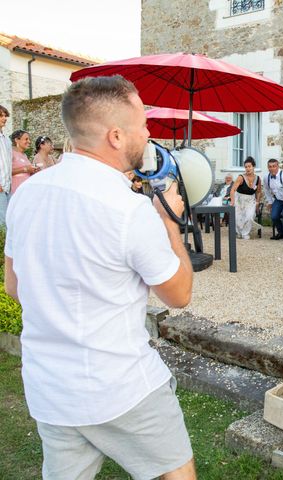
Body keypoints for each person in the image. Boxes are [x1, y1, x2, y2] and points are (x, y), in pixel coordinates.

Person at [4, 75, 195, 479]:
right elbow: (178, 294)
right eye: (143, 124)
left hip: (51, 386)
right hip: (122, 386)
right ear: (115, 136)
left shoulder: (27, 195)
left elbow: (14, 287)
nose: (148, 133)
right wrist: (169, 222)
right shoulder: (129, 210)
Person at [229, 156, 262, 240]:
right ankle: (239, 232)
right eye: (246, 167)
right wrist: (232, 201)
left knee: (250, 216)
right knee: (238, 217)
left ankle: (245, 233)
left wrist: (257, 202)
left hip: (250, 200)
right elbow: (232, 190)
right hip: (239, 199)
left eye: (249, 166)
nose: (247, 168)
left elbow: (258, 192)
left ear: (253, 166)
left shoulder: (258, 179)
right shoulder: (241, 177)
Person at [0, 105, 11, 226]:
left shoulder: (6, 140)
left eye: (5, 115)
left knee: (7, 220)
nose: (4, 118)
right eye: (1, 116)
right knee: (2, 222)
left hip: (7, 186)